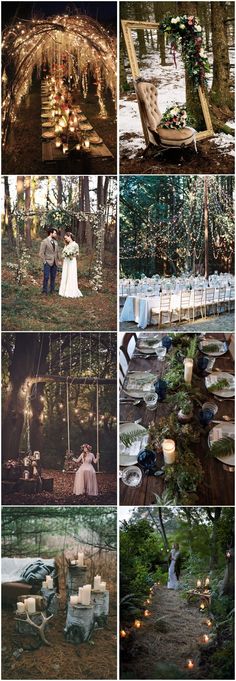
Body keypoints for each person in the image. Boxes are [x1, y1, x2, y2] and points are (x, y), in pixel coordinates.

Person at [59, 232, 83, 298]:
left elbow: (77, 253)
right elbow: (63, 253)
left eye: (66, 238)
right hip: (66, 261)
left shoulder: (75, 244)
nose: (66, 239)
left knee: (71, 274)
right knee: (65, 274)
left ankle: (71, 291)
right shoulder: (66, 245)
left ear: (70, 236)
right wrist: (65, 255)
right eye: (65, 239)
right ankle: (63, 291)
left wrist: (71, 254)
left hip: (72, 261)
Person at [39, 227, 60, 294]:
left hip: (55, 262)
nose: (56, 234)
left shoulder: (55, 242)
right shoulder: (44, 241)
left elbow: (57, 252)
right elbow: (41, 253)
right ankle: (44, 291)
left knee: (53, 277)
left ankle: (52, 290)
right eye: (55, 233)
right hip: (47, 262)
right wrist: (44, 261)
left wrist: (59, 260)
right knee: (46, 276)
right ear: (51, 233)